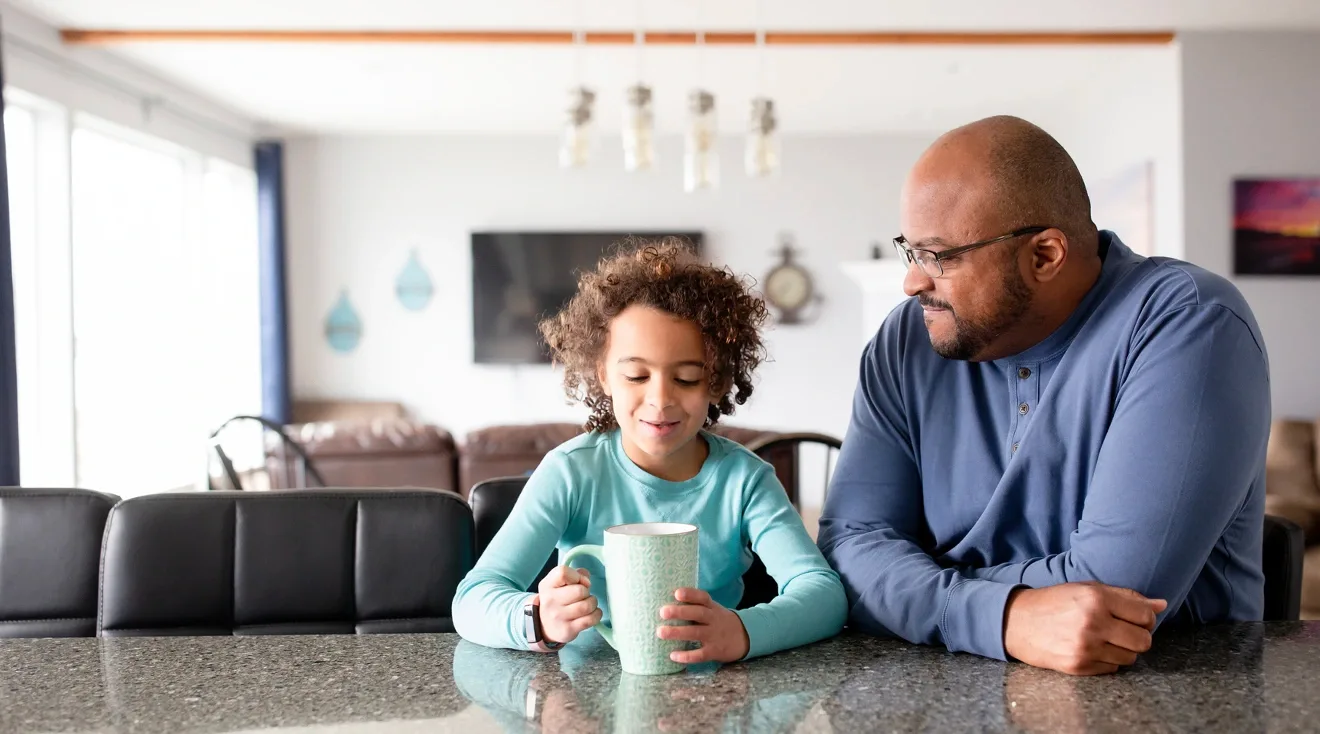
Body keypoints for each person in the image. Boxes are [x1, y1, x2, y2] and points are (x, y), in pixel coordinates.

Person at [818, 115, 1271, 676]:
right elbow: (848, 547)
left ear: (1044, 256)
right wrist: (1005, 616)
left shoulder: (1190, 324)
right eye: (908, 251)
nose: (912, 281)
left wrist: (913, 584)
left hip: (1166, 691)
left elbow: (1113, 596)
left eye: (940, 256)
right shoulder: (905, 341)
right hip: (947, 685)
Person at [454, 237, 847, 664]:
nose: (660, 400)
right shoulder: (570, 472)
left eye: (687, 378)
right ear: (603, 375)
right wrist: (537, 619)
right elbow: (472, 600)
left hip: (713, 700)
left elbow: (824, 594)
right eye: (637, 376)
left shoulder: (745, 480)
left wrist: (743, 631)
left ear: (716, 382)